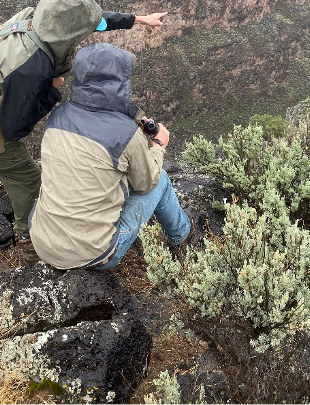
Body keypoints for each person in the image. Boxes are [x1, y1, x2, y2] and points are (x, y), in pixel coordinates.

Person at [0, 0, 167, 259]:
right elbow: (13, 129)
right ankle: (29, 241)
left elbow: (88, 21)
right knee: (26, 179)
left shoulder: (32, 19)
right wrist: (52, 89)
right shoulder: (32, 67)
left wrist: (136, 20)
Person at [29, 42, 191, 270]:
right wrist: (158, 144)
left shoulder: (57, 116)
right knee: (161, 180)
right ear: (119, 83)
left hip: (43, 244)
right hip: (95, 254)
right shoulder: (126, 134)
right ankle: (183, 238)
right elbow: (146, 183)